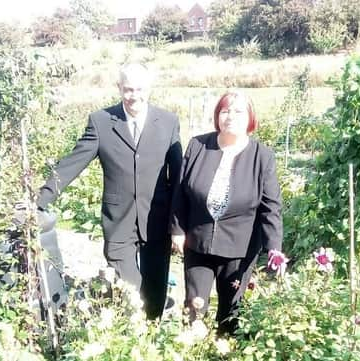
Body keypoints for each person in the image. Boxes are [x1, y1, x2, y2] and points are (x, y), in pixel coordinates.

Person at [37, 63, 182, 319]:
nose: (133, 96)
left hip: (156, 222)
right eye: (127, 89)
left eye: (138, 89)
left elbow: (178, 176)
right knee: (129, 290)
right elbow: (73, 163)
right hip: (119, 222)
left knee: (156, 293)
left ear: (148, 89)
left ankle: (150, 343)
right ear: (119, 88)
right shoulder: (102, 121)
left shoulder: (168, 122)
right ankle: (130, 338)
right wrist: (39, 199)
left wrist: (178, 225)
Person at [170, 91, 286, 334]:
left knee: (231, 311)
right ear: (217, 116)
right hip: (198, 242)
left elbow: (271, 207)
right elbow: (180, 191)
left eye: (238, 111)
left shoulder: (262, 157)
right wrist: (178, 230)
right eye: (225, 111)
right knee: (193, 307)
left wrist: (274, 249)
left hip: (238, 249)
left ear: (250, 118)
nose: (230, 116)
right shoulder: (198, 145)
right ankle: (190, 356)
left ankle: (225, 360)